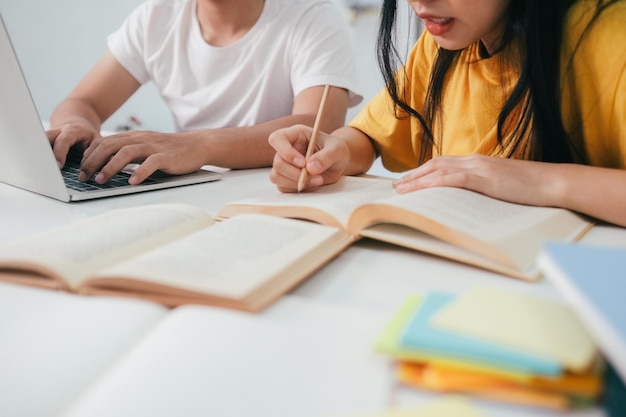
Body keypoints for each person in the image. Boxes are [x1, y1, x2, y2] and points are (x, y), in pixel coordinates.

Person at [268, 0, 626, 227]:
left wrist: (540, 180)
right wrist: (335, 151)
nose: (419, 3)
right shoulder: (441, 45)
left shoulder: (611, 36)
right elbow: (370, 136)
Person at [47, 0, 362, 185]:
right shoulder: (157, 15)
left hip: (276, 192)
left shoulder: (314, 15)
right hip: (187, 190)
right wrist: (76, 126)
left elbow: (320, 127)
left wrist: (197, 145)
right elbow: (83, 102)